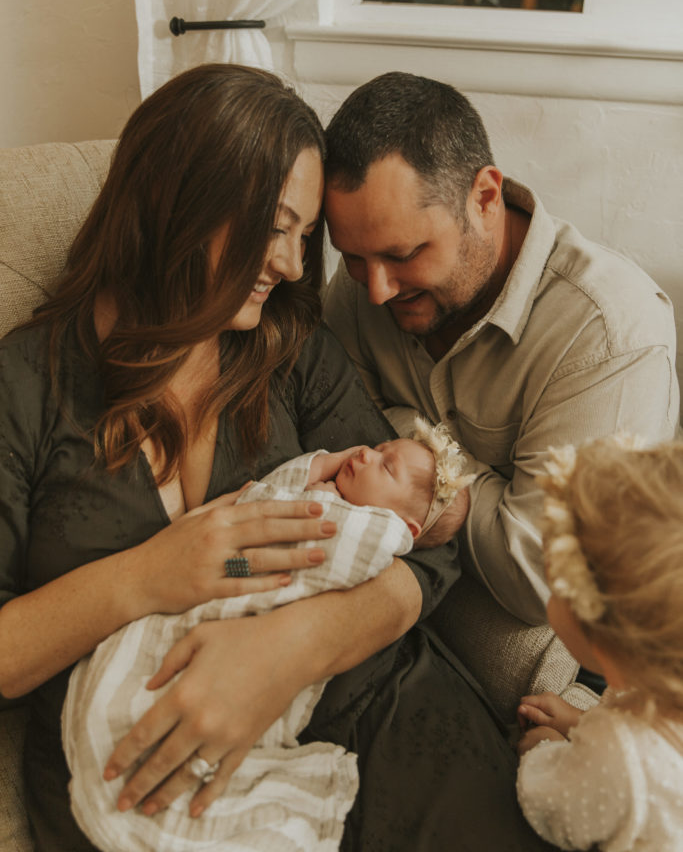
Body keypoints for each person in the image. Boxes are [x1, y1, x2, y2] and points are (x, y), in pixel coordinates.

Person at [0, 62, 552, 852]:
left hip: (372, 714)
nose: (294, 266)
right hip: (147, 783)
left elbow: (427, 539)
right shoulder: (25, 385)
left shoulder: (290, 349)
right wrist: (143, 577)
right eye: (276, 228)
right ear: (180, 202)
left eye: (303, 237)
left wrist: (292, 649)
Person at [322, 70, 680, 628]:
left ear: (485, 198)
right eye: (351, 258)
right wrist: (476, 493)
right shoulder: (366, 283)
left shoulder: (609, 334)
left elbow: (546, 580)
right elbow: (319, 425)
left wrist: (429, 467)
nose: (376, 290)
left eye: (405, 254)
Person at [63, 424, 473, 852]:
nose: (366, 454)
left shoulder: (369, 532)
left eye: (387, 466)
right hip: (226, 594)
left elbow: (308, 557)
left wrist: (308, 508)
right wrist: (317, 469)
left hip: (287, 643)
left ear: (405, 528)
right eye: (378, 447)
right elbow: (253, 517)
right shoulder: (321, 493)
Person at [516, 435, 683, 850]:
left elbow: (550, 807)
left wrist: (545, 748)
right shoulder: (661, 677)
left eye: (557, 590)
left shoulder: (620, 753)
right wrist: (579, 722)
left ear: (609, 654)